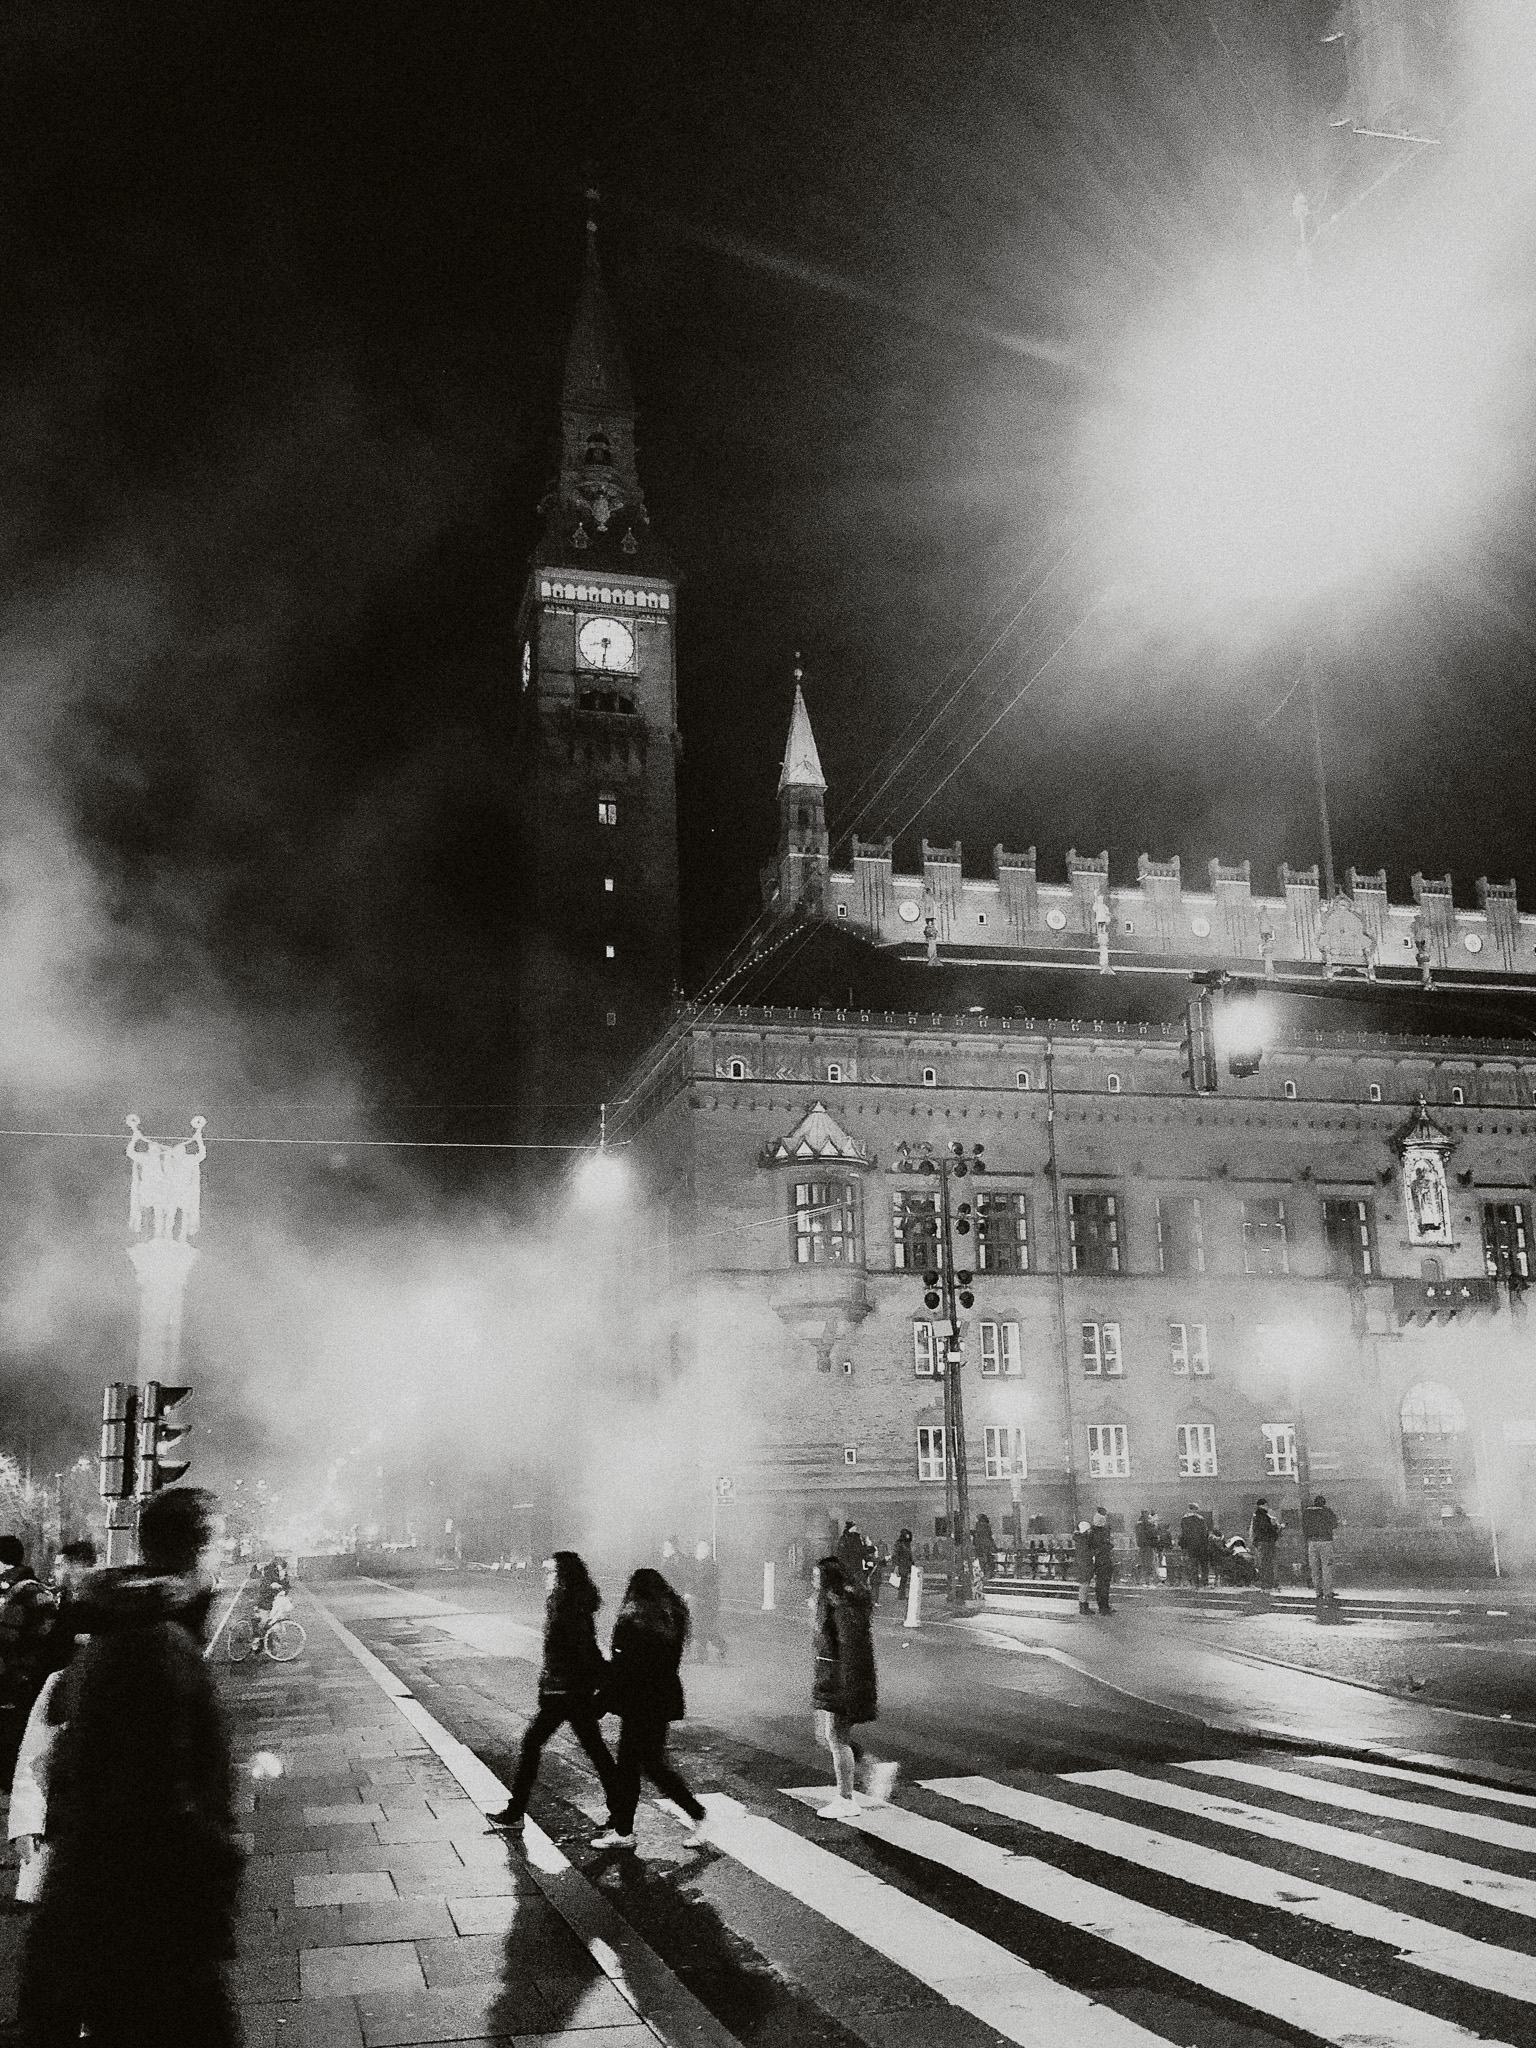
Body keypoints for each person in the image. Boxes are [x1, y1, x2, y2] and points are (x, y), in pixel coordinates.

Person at [19, 1486, 240, 2048]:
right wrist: (217, 1867)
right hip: (145, 1920)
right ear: (200, 1549)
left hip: (114, 1912)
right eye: (219, 1543)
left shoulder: (126, 1629)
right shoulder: (157, 1644)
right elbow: (153, 1797)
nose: (223, 1556)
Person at [490, 1553, 618, 1834]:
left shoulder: (569, 1608)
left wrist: (599, 1679)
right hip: (568, 1689)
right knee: (595, 1751)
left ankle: (516, 1811)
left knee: (534, 1744)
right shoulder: (565, 1604)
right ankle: (620, 1812)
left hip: (566, 1691)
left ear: (564, 1576)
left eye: (551, 1571)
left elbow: (583, 1650)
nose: (545, 1576)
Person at [592, 1567, 708, 1850]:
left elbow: (622, 1668)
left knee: (638, 1767)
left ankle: (695, 1814)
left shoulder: (632, 1620)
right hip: (660, 1699)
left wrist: (600, 1701)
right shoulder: (671, 1619)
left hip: (638, 1701)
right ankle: (626, 1829)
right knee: (645, 1765)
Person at [810, 1555, 896, 1819]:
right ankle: (871, 1768)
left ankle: (846, 1798)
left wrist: (848, 1690)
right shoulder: (835, 1604)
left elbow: (850, 1650)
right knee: (826, 1736)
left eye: (817, 1578)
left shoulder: (842, 1607)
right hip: (832, 1680)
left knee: (836, 1738)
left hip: (840, 1682)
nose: (813, 1582)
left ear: (829, 1581)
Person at [0, 1536, 51, 1779]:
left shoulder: (17, 1592)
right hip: (32, 1675)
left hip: (14, 1676)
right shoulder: (36, 1588)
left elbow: (7, 1638)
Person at [689, 1540, 727, 1662]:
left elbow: (703, 1583)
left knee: (707, 1628)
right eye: (698, 1548)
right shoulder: (699, 1564)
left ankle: (721, 1645)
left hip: (707, 1601)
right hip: (700, 1600)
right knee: (699, 1627)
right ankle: (701, 1655)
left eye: (702, 1548)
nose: (698, 1550)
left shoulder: (709, 1565)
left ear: (707, 1551)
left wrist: (693, 1593)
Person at [1302, 1494, 1339, 1601]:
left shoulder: (1307, 1512)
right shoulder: (1327, 1511)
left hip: (1312, 1542)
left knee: (1314, 1568)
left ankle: (1318, 1591)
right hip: (1325, 1542)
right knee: (1327, 1567)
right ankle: (1328, 1591)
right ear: (1324, 1503)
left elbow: (1304, 1526)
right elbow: (1334, 1524)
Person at [1250, 1497, 1282, 1592]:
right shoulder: (1262, 1516)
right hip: (1266, 1542)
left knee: (1264, 1563)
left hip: (1261, 1542)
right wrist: (1275, 1526)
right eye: (1267, 1505)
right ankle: (1268, 1583)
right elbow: (1266, 1529)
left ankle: (1266, 1583)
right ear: (1263, 1505)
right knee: (1267, 1563)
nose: (1268, 1507)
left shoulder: (1257, 1515)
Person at [1179, 1501, 1210, 1589]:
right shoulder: (1200, 1519)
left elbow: (1184, 1533)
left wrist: (1183, 1545)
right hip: (1201, 1545)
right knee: (1203, 1564)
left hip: (1190, 1545)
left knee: (1193, 1564)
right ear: (1197, 1509)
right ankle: (1204, 1582)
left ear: (1189, 1509)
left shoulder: (1184, 1519)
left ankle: (1195, 1583)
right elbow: (1205, 1533)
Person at [1090, 1506, 1115, 1615]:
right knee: (1104, 1585)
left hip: (1099, 1561)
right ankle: (1104, 1607)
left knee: (1101, 1584)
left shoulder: (1093, 1533)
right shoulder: (1101, 1534)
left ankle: (1103, 1606)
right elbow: (1105, 1546)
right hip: (1103, 1561)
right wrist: (1109, 1545)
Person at [836, 1520, 867, 1588]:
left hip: (856, 1566)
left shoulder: (856, 1537)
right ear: (851, 1527)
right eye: (854, 1526)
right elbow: (841, 1553)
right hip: (850, 1566)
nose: (856, 1528)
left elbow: (861, 1550)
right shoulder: (845, 1538)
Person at [1073, 1520, 1094, 1615]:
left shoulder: (1080, 1540)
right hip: (1085, 1564)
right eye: (1088, 1530)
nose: (1090, 1531)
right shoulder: (1083, 1541)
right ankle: (1083, 1606)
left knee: (1084, 1585)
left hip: (1082, 1564)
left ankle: (1083, 1605)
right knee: (1084, 1585)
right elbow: (1086, 1553)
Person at [1134, 1509, 1158, 1586]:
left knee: (1141, 1562)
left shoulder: (1138, 1524)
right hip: (1148, 1546)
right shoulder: (1149, 1524)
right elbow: (1153, 1534)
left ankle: (1139, 1580)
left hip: (1141, 1546)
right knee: (1149, 1563)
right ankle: (1148, 1580)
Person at [891, 1529, 914, 1607]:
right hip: (901, 1564)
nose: (908, 1536)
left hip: (906, 1564)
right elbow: (896, 1554)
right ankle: (901, 1595)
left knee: (904, 1579)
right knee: (902, 1579)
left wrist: (912, 1563)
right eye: (907, 1535)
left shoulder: (907, 1543)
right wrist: (896, 1564)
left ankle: (902, 1594)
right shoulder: (899, 1543)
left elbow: (909, 1554)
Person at [973, 1513, 997, 1581]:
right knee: (988, 1560)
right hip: (987, 1545)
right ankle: (988, 1574)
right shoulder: (987, 1526)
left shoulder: (979, 1525)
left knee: (983, 1560)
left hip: (981, 1545)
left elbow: (978, 1535)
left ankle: (985, 1573)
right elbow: (990, 1535)